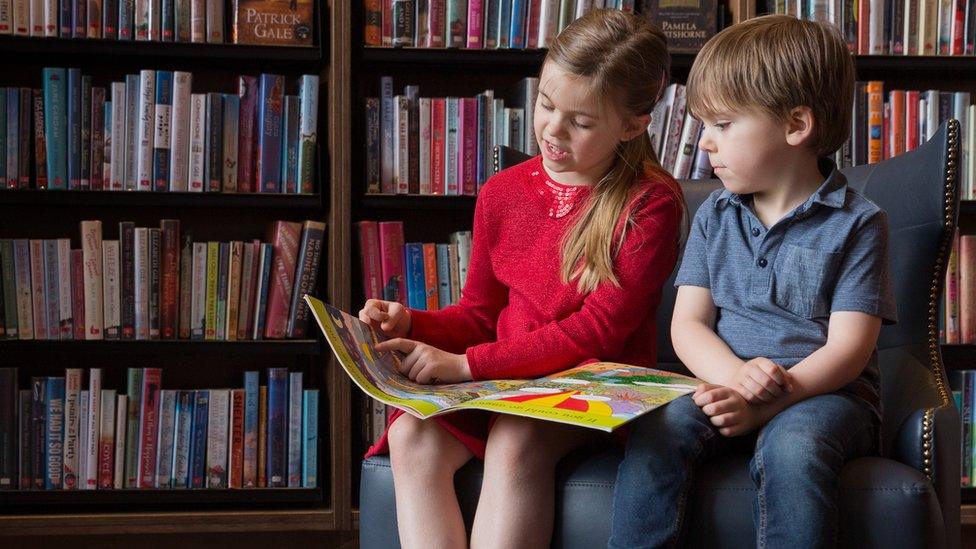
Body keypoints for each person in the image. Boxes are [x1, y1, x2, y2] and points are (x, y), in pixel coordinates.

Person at [357, 9, 684, 548]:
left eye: (580, 121)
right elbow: (480, 315)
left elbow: (597, 332)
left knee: (515, 436)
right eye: (547, 105)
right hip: (505, 380)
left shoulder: (649, 202)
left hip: (595, 381)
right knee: (411, 434)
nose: (553, 130)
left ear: (633, 124)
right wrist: (414, 322)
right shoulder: (502, 191)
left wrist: (465, 365)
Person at [608, 14, 898, 548]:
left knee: (795, 448)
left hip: (827, 394)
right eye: (703, 125)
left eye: (722, 125)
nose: (706, 144)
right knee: (657, 430)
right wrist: (736, 381)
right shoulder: (716, 215)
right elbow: (689, 326)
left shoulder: (859, 222)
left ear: (796, 125)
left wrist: (770, 399)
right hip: (723, 381)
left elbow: (849, 350)